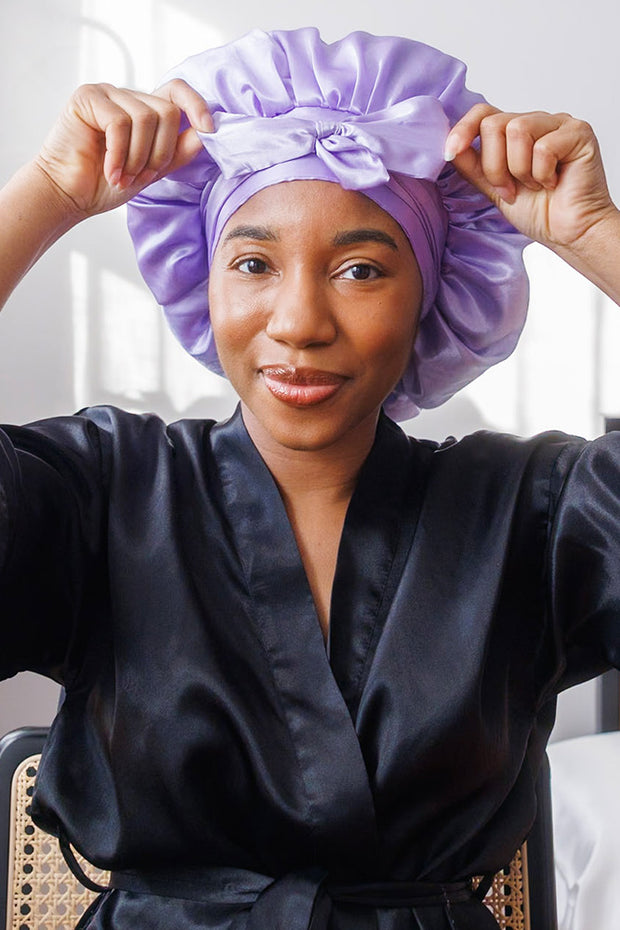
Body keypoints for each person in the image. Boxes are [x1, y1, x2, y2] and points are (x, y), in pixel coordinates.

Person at [1, 27, 620, 930]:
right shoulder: (105, 491)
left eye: (361, 270)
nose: (298, 320)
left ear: (432, 295)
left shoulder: (532, 513)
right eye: (253, 263)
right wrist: (46, 198)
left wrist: (596, 234)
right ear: (204, 281)